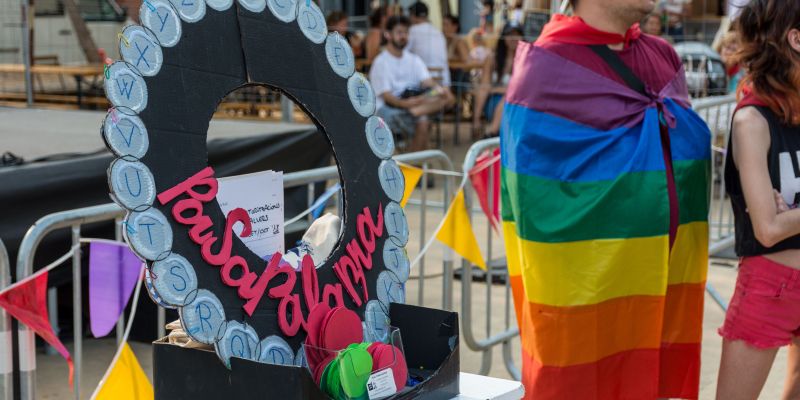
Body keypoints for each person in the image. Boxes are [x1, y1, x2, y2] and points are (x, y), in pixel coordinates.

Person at [500, 0, 711, 398]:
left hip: (663, 280)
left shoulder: (663, 56)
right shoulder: (546, 67)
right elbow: (531, 201)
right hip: (587, 287)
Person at [717, 2, 800, 399]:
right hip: (771, 287)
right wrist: (782, 219)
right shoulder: (752, 121)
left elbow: (782, 221)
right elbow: (768, 229)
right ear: (796, 39)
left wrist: (793, 216)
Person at [369, 16, 454, 152]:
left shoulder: (413, 59)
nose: (404, 36)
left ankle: (414, 167)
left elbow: (427, 81)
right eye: (399, 32)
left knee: (445, 96)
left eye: (406, 32)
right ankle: (417, 166)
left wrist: (439, 89)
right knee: (423, 120)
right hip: (389, 108)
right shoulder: (381, 62)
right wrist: (407, 104)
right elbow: (387, 97)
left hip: (415, 103)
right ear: (388, 34)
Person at [472, 24, 522, 139]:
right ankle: (492, 133)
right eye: (510, 35)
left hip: (515, 104)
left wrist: (496, 89)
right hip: (494, 103)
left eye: (517, 34)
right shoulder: (492, 58)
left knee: (508, 98)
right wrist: (476, 119)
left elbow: (521, 90)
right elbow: (484, 87)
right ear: (503, 37)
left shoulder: (526, 60)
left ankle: (492, 131)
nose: (513, 38)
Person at [406, 1, 451, 87]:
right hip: (444, 81)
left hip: (423, 82)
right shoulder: (438, 32)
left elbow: (401, 54)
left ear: (412, 16)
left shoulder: (412, 30)